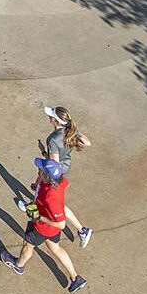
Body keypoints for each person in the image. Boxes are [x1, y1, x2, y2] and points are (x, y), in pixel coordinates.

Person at [0, 158, 87, 293]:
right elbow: (65, 185)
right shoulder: (60, 181)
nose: (38, 169)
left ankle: (18, 265)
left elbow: (61, 224)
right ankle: (76, 278)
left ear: (46, 176)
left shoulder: (51, 198)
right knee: (55, 248)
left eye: (41, 169)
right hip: (51, 230)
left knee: (28, 245)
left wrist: (39, 217)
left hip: (41, 228)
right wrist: (38, 187)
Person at [30, 105, 94, 247]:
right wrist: (74, 131)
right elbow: (88, 142)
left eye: (51, 116)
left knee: (52, 198)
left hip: (57, 173)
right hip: (66, 167)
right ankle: (82, 230)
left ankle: (82, 230)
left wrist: (43, 153)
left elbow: (54, 165)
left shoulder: (53, 139)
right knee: (58, 202)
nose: (49, 117)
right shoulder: (69, 131)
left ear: (55, 121)